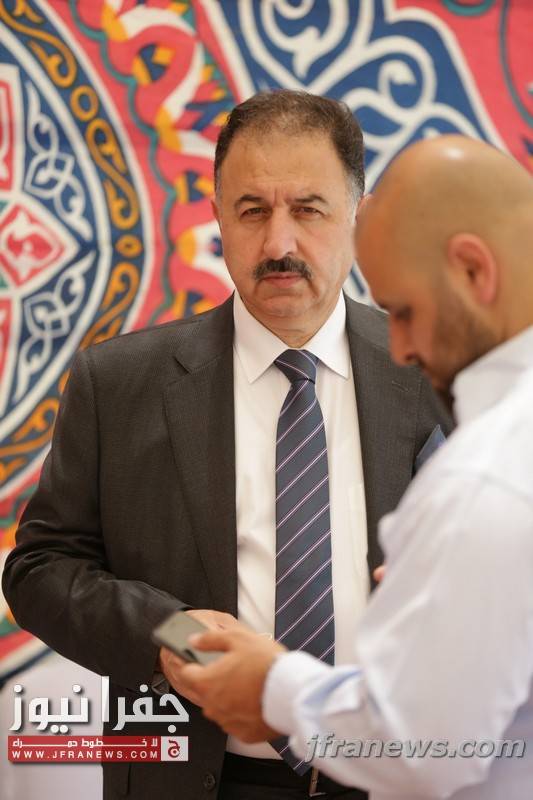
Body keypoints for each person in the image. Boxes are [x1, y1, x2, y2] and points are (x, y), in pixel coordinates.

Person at [2, 91, 449, 800]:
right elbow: (40, 569)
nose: (278, 245)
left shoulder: (435, 374)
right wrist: (166, 634)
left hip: (399, 776)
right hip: (193, 778)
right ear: (216, 216)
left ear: (357, 216)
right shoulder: (118, 383)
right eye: (251, 211)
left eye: (308, 209)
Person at [176, 135, 533, 800]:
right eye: (251, 210)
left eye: (405, 312)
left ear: (472, 272)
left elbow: (423, 750)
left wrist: (276, 688)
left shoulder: (485, 478)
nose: (398, 347)